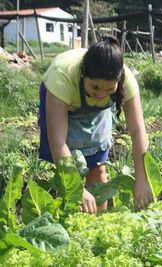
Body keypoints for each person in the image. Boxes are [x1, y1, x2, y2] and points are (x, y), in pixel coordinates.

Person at [38, 36, 153, 214]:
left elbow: (138, 131)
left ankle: (96, 224)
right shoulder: (61, 79)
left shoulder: (127, 81)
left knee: (97, 169)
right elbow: (58, 142)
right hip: (65, 102)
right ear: (84, 75)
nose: (101, 94)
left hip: (96, 111)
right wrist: (76, 188)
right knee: (66, 176)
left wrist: (142, 179)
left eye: (109, 89)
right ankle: (71, 220)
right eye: (95, 87)